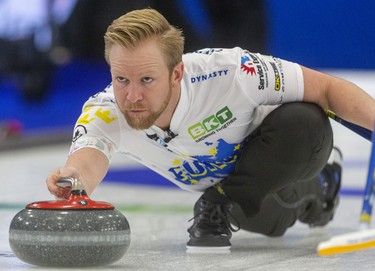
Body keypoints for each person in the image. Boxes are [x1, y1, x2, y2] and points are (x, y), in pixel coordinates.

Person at [46, 8, 375, 253]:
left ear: (177, 74)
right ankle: (320, 189)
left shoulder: (232, 71)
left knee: (305, 123)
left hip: (274, 151)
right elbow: (86, 161)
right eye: (121, 79)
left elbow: (328, 89)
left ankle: (231, 199)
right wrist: (71, 183)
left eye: (147, 80)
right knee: (276, 222)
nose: (132, 96)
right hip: (238, 196)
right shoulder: (105, 111)